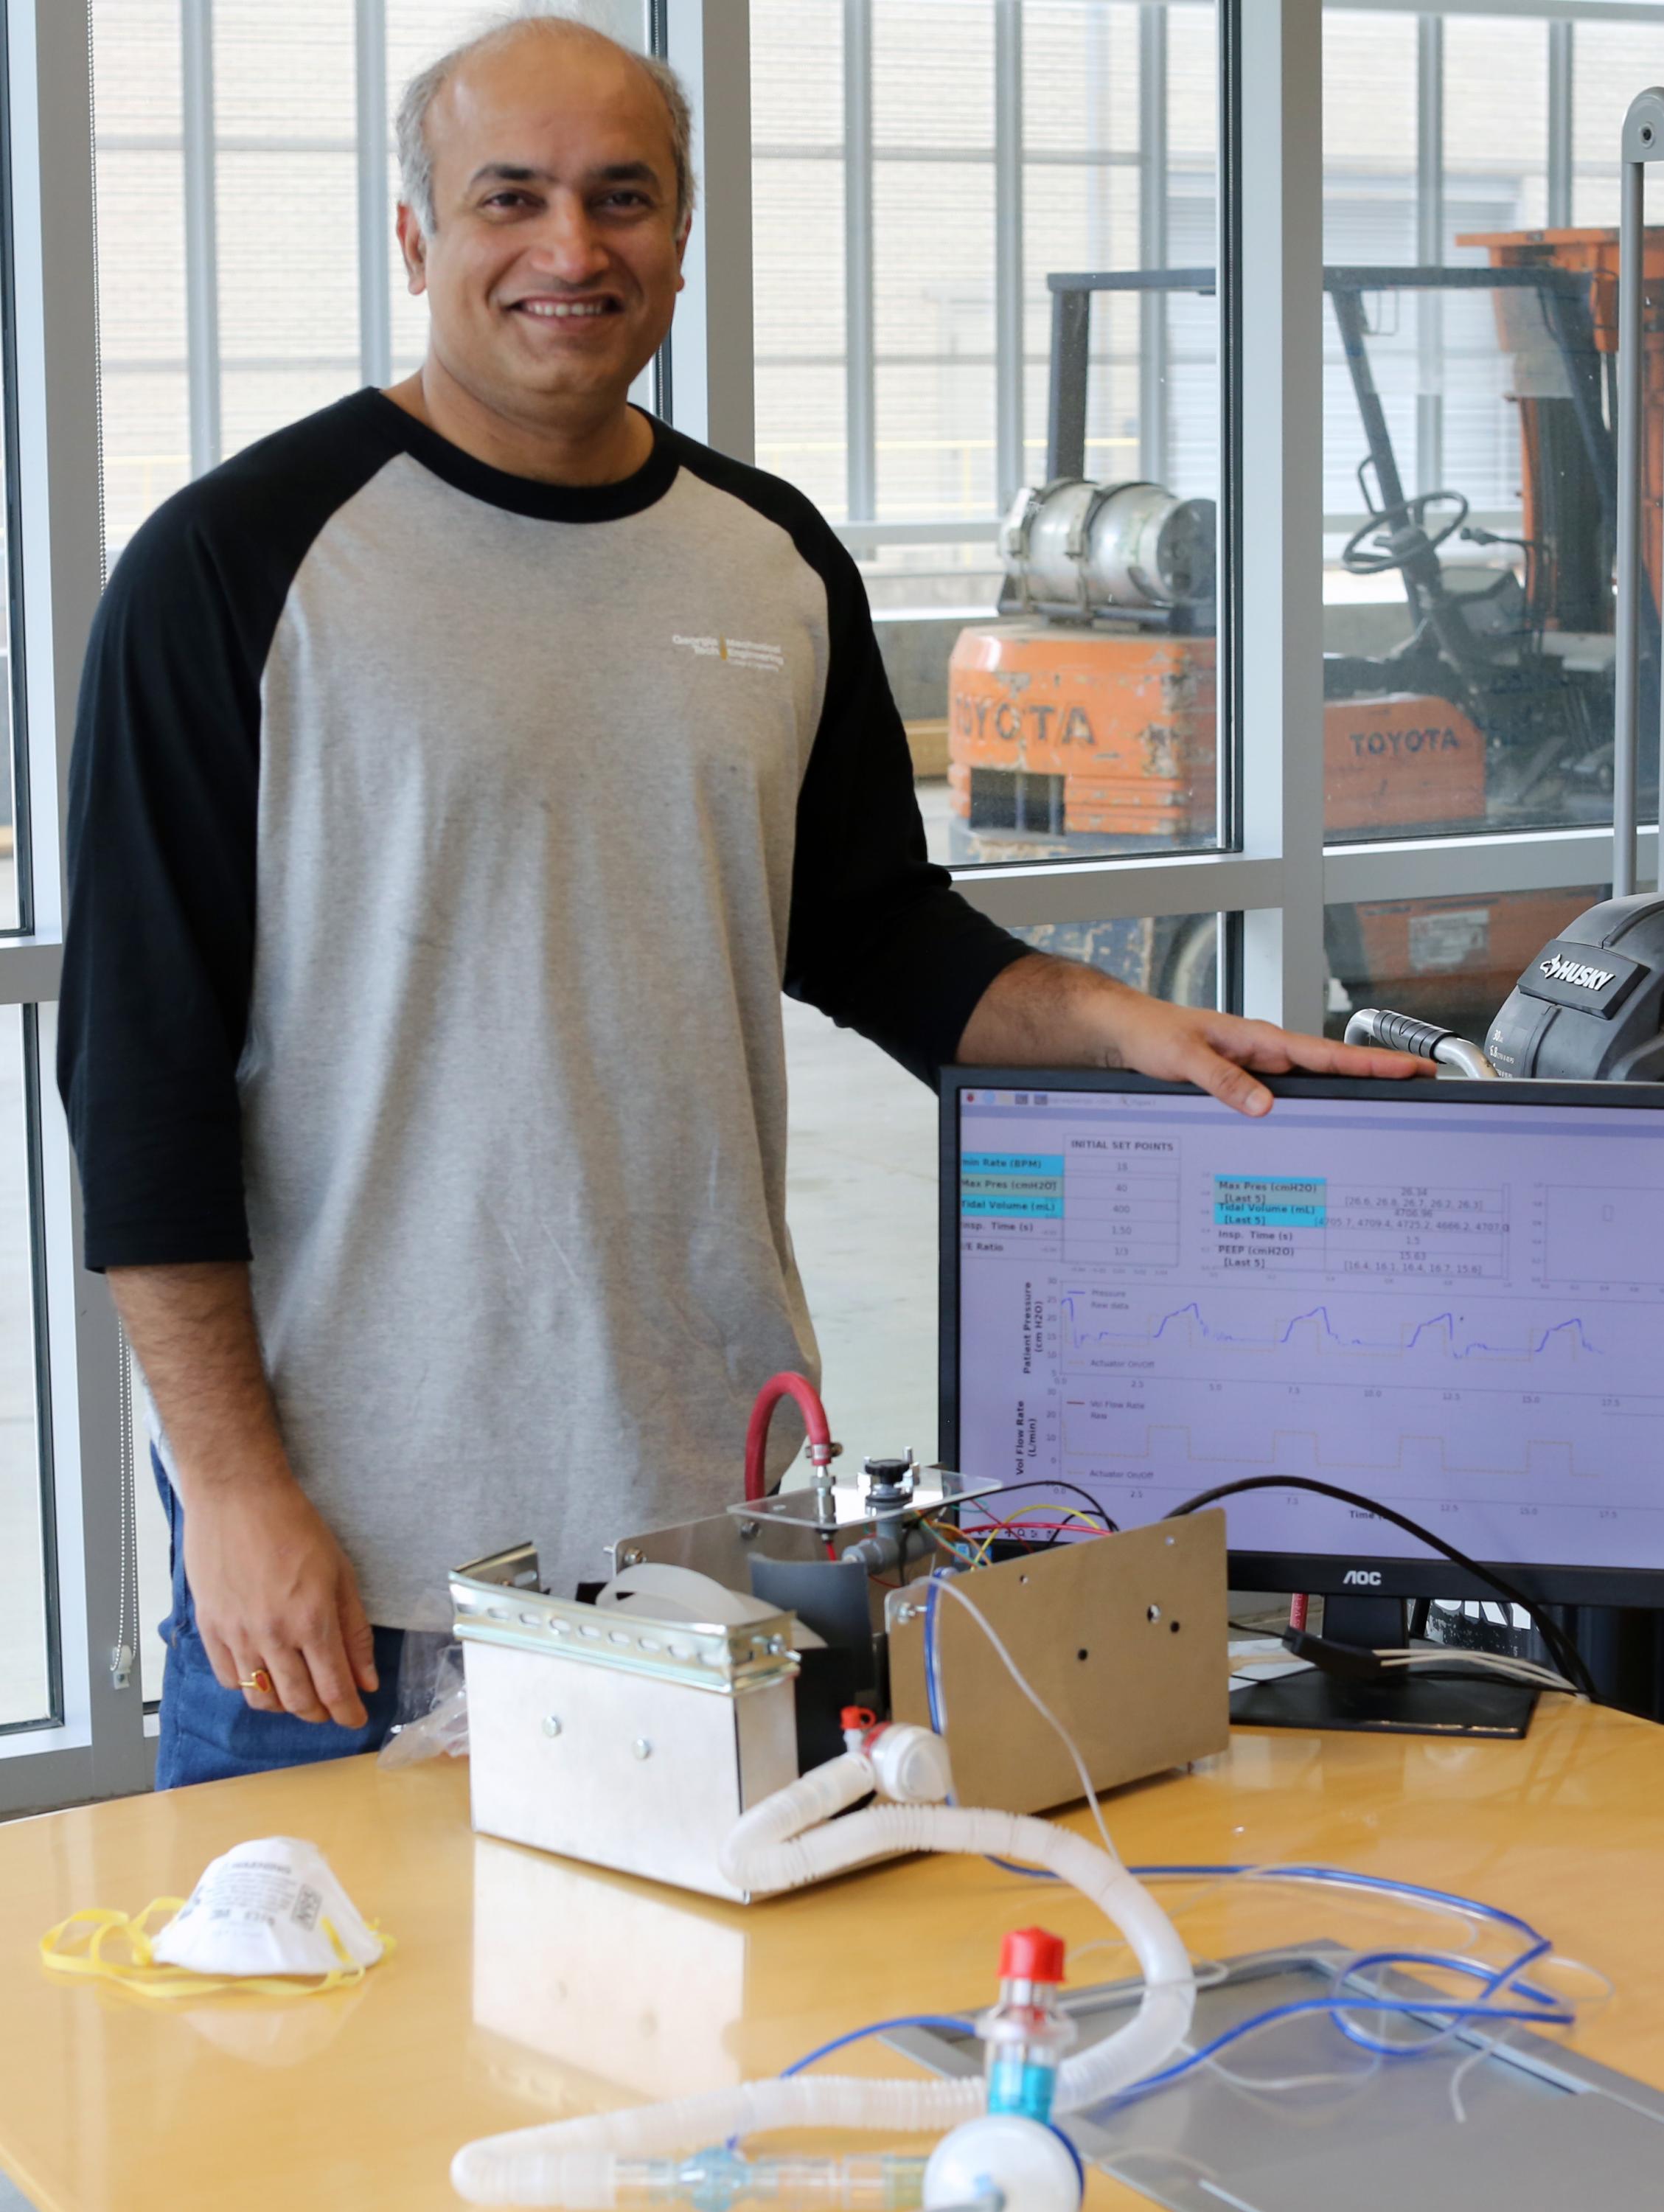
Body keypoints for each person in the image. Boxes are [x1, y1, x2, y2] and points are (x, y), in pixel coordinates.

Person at [58, 13, 1425, 1787]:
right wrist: (232, 1493)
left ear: (683, 238)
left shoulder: (766, 560)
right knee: (311, 2048)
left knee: (673, 2051)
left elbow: (869, 930)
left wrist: (1119, 1025)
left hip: (708, 1534)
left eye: (623, 199)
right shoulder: (232, 566)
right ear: (417, 238)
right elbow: (141, 1076)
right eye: (511, 199)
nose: (573, 249)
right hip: (353, 1560)